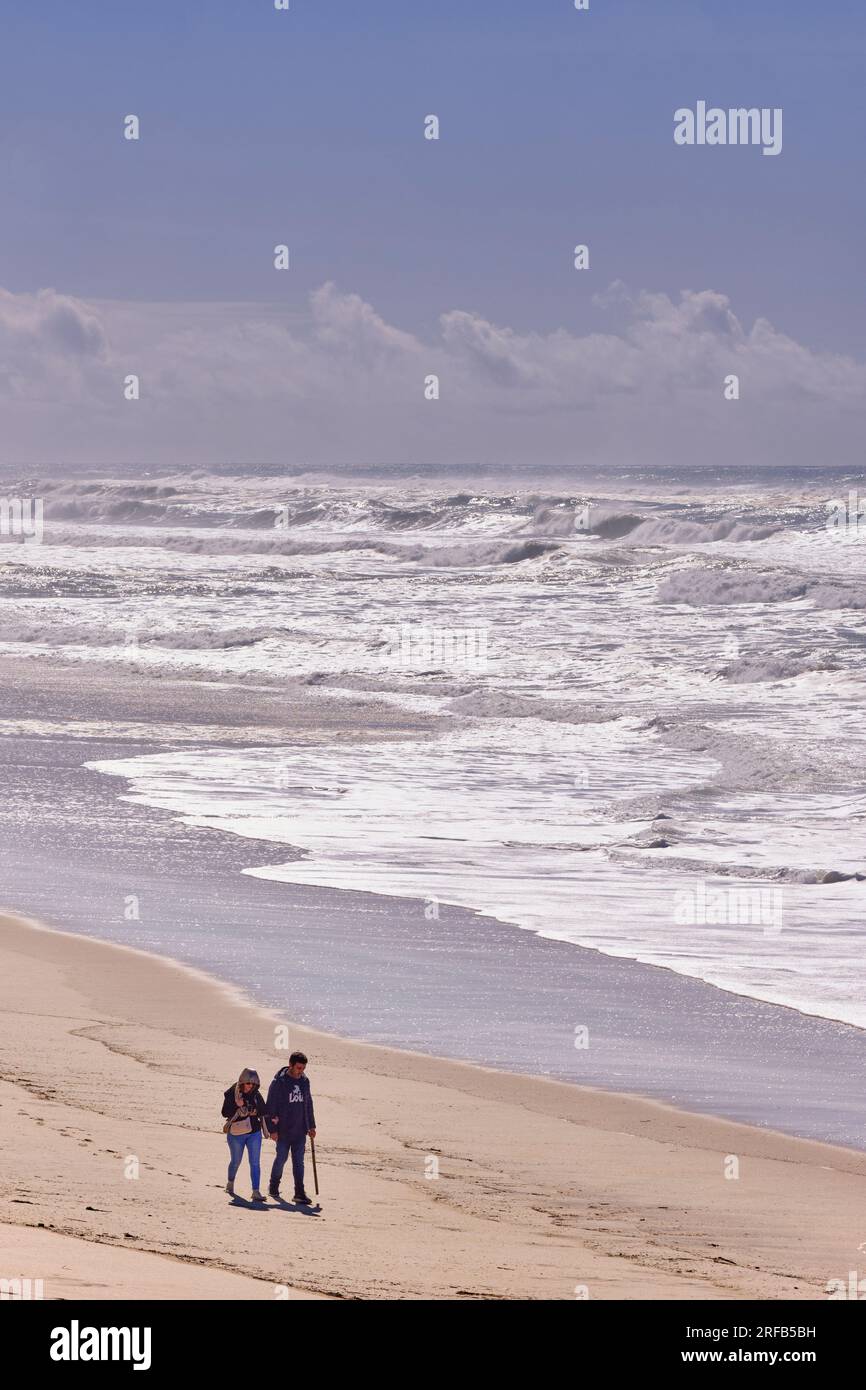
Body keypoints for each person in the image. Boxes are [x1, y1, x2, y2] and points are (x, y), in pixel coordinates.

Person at [266, 1052, 317, 1204]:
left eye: (303, 1068)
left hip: (300, 1130)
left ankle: (299, 1193)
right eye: (299, 1068)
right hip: (282, 1130)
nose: (301, 1071)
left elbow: (308, 1104)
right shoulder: (279, 1082)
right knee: (281, 1159)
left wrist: (311, 1126)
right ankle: (273, 1186)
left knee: (299, 1162)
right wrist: (272, 1130)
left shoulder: (304, 1081)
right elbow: (271, 1106)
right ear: (291, 1065)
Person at [222, 1068, 271, 1202]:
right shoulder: (233, 1092)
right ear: (242, 1082)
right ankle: (230, 1184)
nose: (251, 1086)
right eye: (248, 1083)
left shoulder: (256, 1094)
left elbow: (264, 1110)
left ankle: (256, 1192)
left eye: (253, 1084)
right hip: (236, 1133)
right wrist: (237, 1105)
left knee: (255, 1163)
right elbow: (225, 1112)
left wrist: (271, 1126)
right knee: (236, 1161)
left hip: (254, 1133)